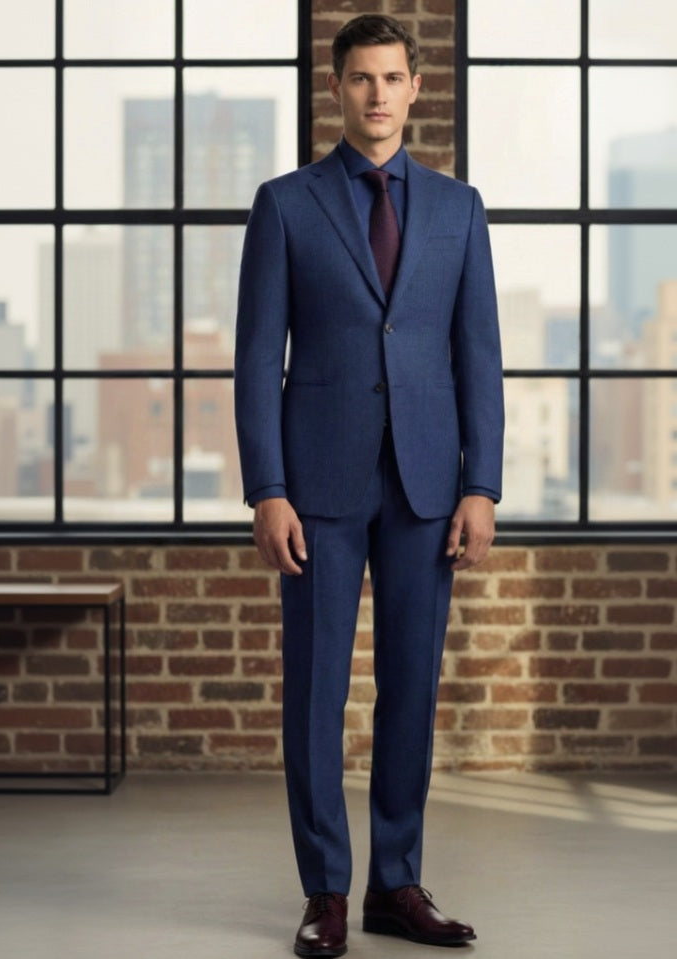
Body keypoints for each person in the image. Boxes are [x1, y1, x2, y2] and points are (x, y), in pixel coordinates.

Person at [234, 14, 504, 958]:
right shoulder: (285, 204)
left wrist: (485, 486)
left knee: (410, 688)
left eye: (393, 78)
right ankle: (326, 891)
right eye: (360, 79)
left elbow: (480, 357)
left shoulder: (460, 208)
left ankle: (397, 879)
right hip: (318, 487)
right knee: (314, 690)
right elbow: (256, 356)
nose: (377, 95)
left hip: (429, 484)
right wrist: (267, 486)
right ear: (336, 88)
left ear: (416, 88)